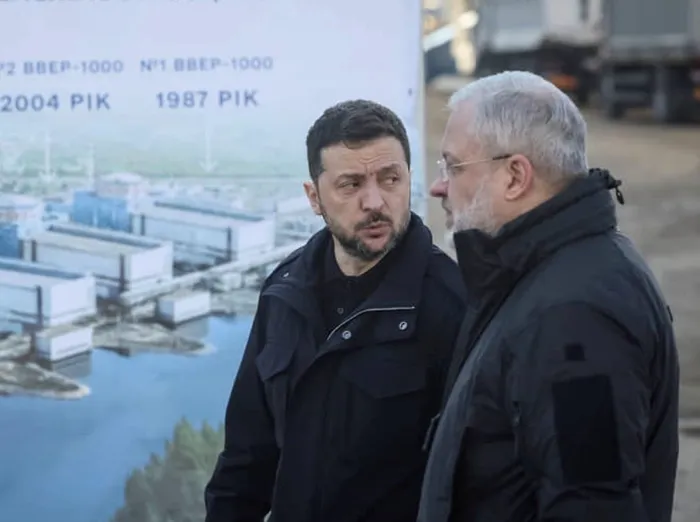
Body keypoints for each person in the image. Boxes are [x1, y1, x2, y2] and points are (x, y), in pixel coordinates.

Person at [419, 71, 679, 522]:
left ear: (515, 176)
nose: (439, 186)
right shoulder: (535, 272)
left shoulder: (574, 317)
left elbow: (593, 507)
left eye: (453, 166)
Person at [204, 99, 466, 522]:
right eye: (351, 184)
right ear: (314, 197)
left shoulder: (451, 304)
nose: (374, 201)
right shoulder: (284, 293)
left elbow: (472, 482)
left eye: (390, 179)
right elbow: (245, 461)